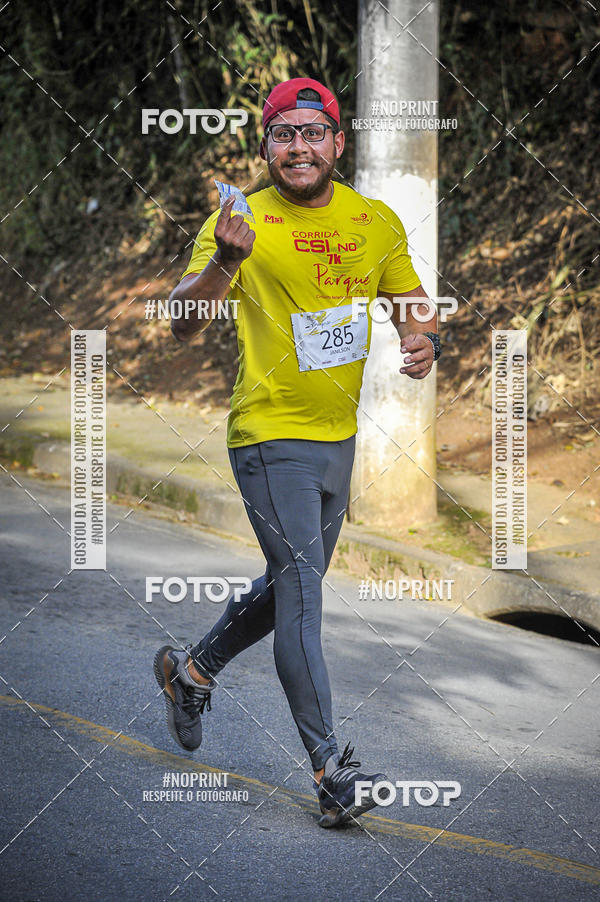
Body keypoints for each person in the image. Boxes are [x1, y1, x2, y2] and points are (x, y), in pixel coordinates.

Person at [154, 77, 440, 828]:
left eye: (313, 133)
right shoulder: (239, 222)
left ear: (338, 143)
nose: (299, 147)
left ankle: (191, 672)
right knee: (305, 593)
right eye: (284, 135)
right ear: (266, 148)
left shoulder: (373, 222)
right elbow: (181, 321)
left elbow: (410, 300)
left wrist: (423, 338)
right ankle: (331, 772)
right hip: (268, 435)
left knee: (291, 588)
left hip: (337, 441)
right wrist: (225, 261)